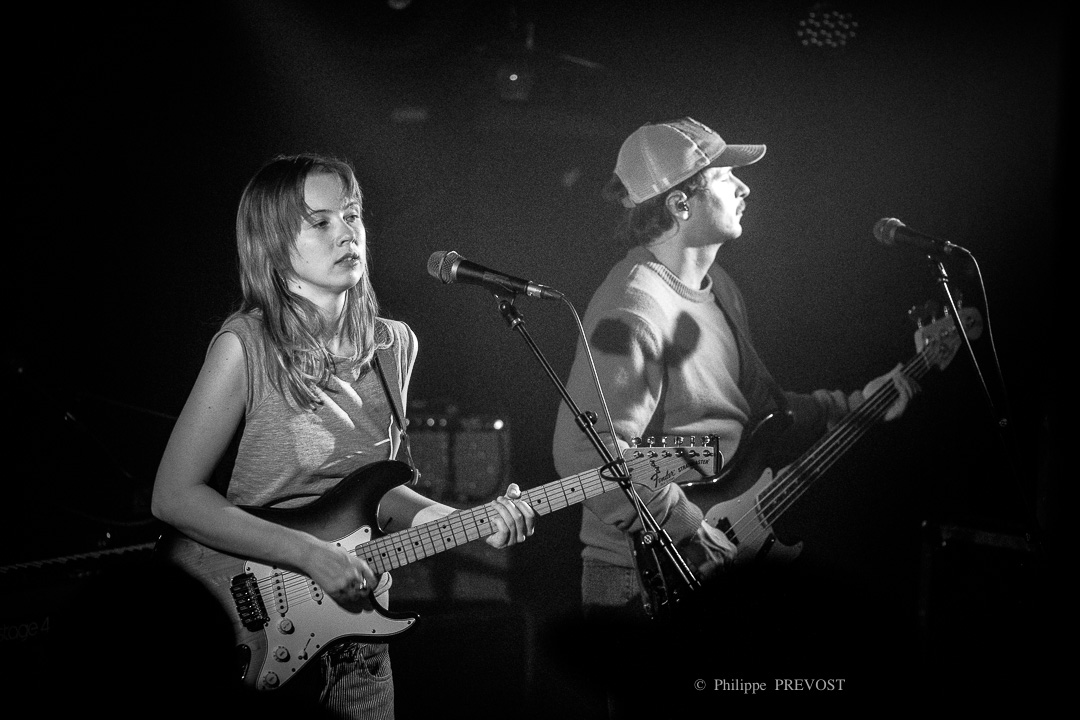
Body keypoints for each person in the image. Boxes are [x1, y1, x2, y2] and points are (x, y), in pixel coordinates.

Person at [550, 118, 917, 715]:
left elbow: (761, 411)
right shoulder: (632, 303)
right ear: (681, 203)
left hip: (723, 558)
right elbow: (587, 454)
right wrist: (687, 524)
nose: (745, 188)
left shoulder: (719, 286)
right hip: (646, 578)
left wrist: (852, 407)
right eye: (726, 177)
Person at [152, 153, 537, 719]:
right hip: (260, 625)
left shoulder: (394, 345)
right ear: (273, 243)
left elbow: (382, 492)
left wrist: (468, 523)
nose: (346, 233)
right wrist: (310, 554)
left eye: (352, 215)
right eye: (320, 221)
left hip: (359, 638)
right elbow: (173, 497)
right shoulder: (245, 347)